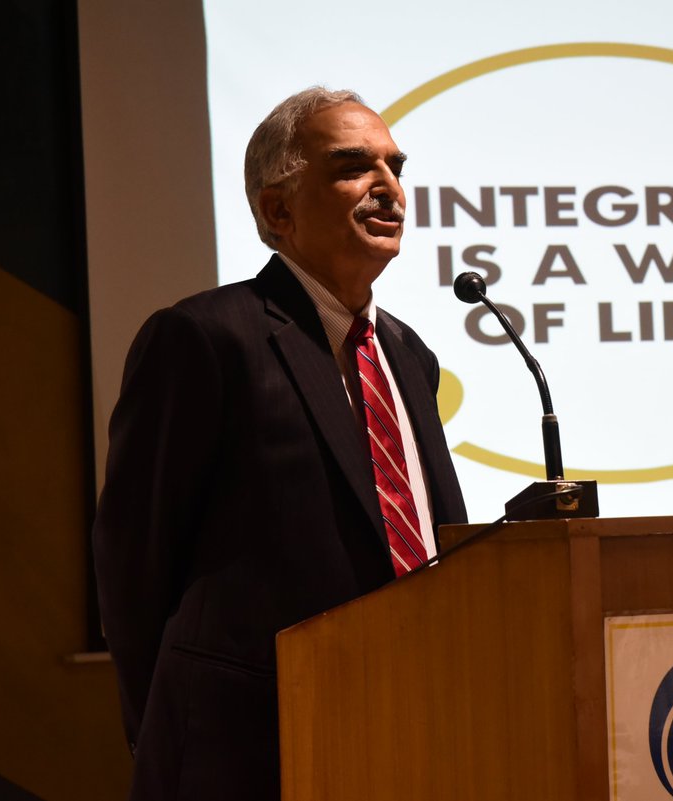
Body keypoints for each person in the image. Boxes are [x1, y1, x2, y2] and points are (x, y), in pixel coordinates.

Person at [92, 87, 467, 801]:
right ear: (277, 210)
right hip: (243, 747)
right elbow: (133, 558)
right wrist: (166, 720)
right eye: (353, 167)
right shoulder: (206, 337)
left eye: (396, 166)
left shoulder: (407, 355)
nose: (388, 187)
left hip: (411, 723)